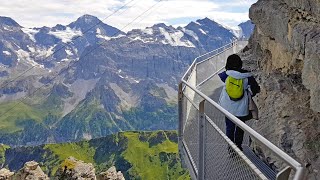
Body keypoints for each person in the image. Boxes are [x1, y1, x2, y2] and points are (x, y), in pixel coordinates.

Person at [218, 54, 260, 151]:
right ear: (240, 64)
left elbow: (222, 77)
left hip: (227, 106)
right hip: (242, 107)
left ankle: (230, 147)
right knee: (240, 126)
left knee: (229, 127)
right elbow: (255, 89)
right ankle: (238, 146)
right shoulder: (247, 77)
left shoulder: (225, 75)